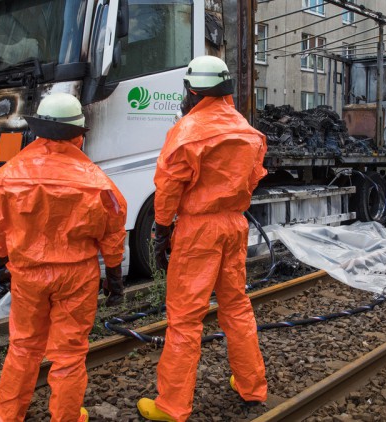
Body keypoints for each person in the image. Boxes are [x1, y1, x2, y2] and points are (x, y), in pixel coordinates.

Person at [0, 93, 127, 422]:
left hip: (28, 274)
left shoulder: (7, 176)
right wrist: (114, 277)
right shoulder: (98, 185)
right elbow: (113, 234)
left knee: (23, 346)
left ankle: (7, 415)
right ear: (79, 135)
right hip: (77, 277)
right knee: (70, 355)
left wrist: (1, 261)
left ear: (39, 129)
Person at [137, 55, 268, 422]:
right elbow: (254, 177)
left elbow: (167, 190)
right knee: (237, 307)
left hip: (198, 231)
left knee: (185, 319)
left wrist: (162, 234)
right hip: (234, 225)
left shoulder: (187, 131)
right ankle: (251, 386)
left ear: (192, 90)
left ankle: (171, 406)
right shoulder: (246, 129)